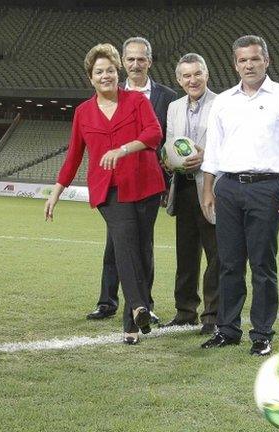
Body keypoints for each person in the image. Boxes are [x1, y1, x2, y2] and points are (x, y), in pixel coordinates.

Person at [45, 43, 165, 345]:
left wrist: (123, 149)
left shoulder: (137, 102)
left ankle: (134, 322)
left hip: (146, 186)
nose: (105, 75)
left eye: (110, 70)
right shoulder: (83, 113)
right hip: (109, 191)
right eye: (99, 72)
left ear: (118, 72)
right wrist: (56, 192)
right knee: (124, 242)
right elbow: (73, 156)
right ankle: (139, 306)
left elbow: (153, 134)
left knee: (142, 249)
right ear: (91, 78)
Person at [199, 35, 279, 356]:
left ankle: (261, 333)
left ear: (267, 61)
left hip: (267, 187)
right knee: (229, 264)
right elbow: (214, 150)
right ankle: (227, 329)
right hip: (228, 187)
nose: (249, 65)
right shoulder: (223, 101)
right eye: (243, 60)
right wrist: (208, 189)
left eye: (255, 59)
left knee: (262, 264)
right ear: (235, 64)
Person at [87, 36, 177, 323]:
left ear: (149, 62)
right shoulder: (111, 91)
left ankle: (143, 305)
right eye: (130, 59)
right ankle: (107, 301)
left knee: (142, 245)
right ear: (122, 63)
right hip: (116, 185)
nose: (135, 64)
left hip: (148, 183)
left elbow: (167, 138)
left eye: (141, 59)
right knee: (115, 243)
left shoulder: (167, 97)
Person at [160, 53, 219, 336]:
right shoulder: (173, 107)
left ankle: (212, 315)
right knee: (186, 255)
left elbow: (230, 144)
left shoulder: (223, 104)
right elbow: (171, 143)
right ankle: (185, 312)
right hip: (182, 187)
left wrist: (206, 157)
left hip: (212, 188)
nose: (192, 80)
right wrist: (169, 160)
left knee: (216, 255)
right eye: (186, 76)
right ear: (179, 80)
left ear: (207, 75)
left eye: (197, 74)